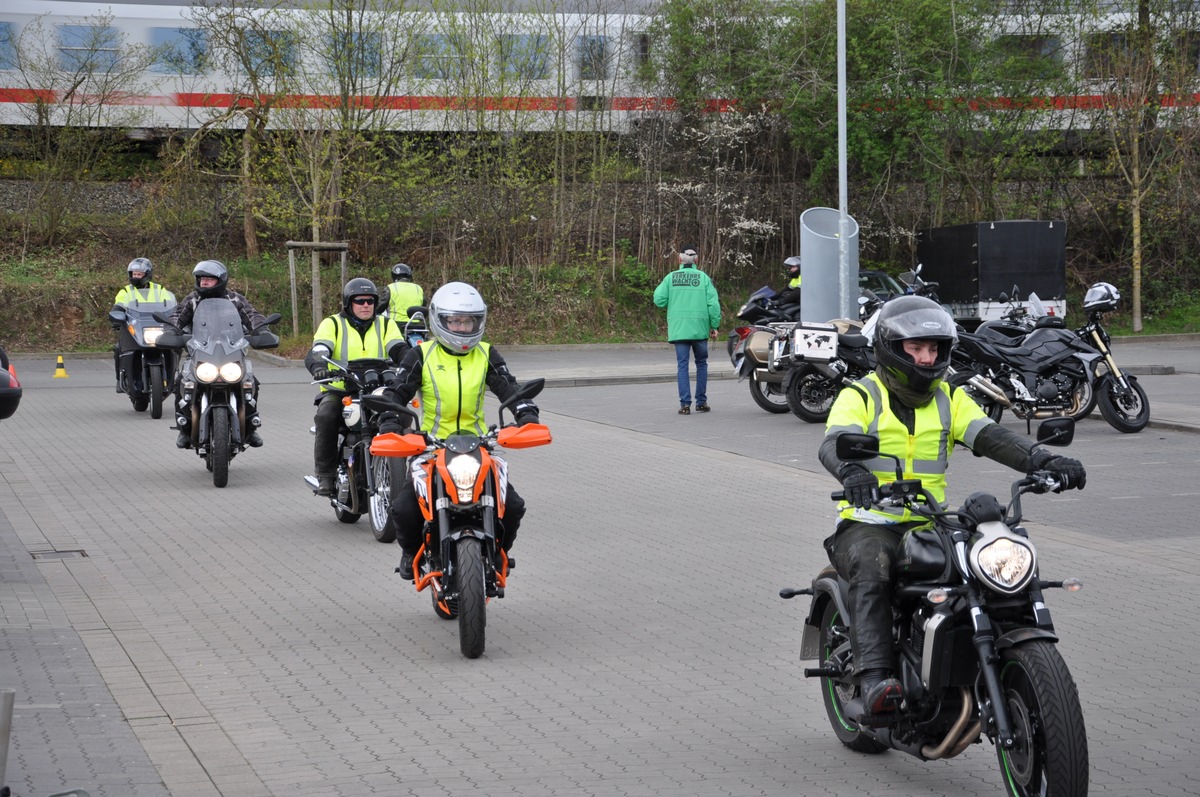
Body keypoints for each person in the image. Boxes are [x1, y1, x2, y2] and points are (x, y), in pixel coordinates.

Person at [818, 295, 1087, 720]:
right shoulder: (862, 395)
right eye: (916, 349)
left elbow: (992, 436)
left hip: (931, 521)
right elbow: (834, 443)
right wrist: (853, 475)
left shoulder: (948, 398)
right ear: (891, 349)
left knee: (991, 559)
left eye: (933, 349)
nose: (926, 359)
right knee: (873, 565)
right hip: (871, 521)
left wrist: (1044, 460)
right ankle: (873, 679)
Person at [382, 281, 539, 580]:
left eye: (469, 321)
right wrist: (390, 421)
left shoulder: (486, 354)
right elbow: (396, 392)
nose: (463, 327)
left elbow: (509, 387)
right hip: (431, 448)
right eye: (455, 321)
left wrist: (526, 413)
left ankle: (499, 553)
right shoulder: (420, 355)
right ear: (439, 320)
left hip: (479, 445)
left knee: (514, 506)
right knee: (403, 508)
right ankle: (410, 552)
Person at [305, 277, 407, 497]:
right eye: (360, 301)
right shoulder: (332, 323)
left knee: (403, 416)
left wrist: (411, 361)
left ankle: (407, 477)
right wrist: (320, 366)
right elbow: (319, 348)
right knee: (326, 415)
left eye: (370, 301)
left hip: (378, 388)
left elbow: (398, 348)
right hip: (341, 388)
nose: (366, 305)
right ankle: (326, 475)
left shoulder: (385, 324)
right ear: (349, 303)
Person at [167, 260, 269, 449]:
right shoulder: (193, 299)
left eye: (209, 279)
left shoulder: (235, 299)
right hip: (200, 352)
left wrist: (261, 330)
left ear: (221, 280)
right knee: (182, 381)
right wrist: (172, 331)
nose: (204, 283)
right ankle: (184, 428)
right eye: (201, 279)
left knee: (250, 381)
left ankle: (251, 426)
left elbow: (251, 315)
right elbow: (178, 316)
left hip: (231, 351)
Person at [653, 246, 721, 414]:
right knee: (702, 364)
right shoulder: (704, 278)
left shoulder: (670, 278)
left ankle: (685, 404)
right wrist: (714, 326)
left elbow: (659, 300)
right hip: (699, 329)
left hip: (679, 330)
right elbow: (713, 304)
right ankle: (701, 402)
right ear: (697, 260)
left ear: (679, 260)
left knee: (682, 365)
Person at [110, 258, 176, 388]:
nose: (136, 277)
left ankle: (173, 377)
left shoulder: (160, 289)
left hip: (157, 325)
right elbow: (118, 306)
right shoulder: (126, 291)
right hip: (134, 326)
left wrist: (174, 318)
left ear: (147, 275)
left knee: (174, 347)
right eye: (134, 274)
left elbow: (171, 306)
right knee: (118, 349)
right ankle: (120, 379)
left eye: (139, 274)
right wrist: (116, 316)